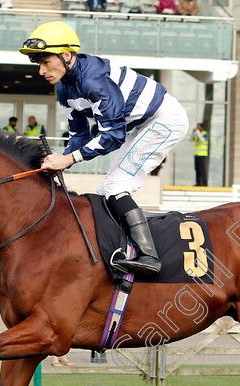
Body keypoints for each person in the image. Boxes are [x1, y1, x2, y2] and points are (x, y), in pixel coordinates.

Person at [20, 21, 189, 275]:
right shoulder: (65, 88)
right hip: (140, 125)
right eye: (38, 64)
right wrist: (61, 159)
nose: (41, 71)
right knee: (103, 191)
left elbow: (112, 136)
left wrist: (69, 160)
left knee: (116, 186)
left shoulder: (93, 79)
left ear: (66, 55)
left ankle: (150, 256)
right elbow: (79, 134)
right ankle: (121, 250)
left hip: (164, 120)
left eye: (46, 62)